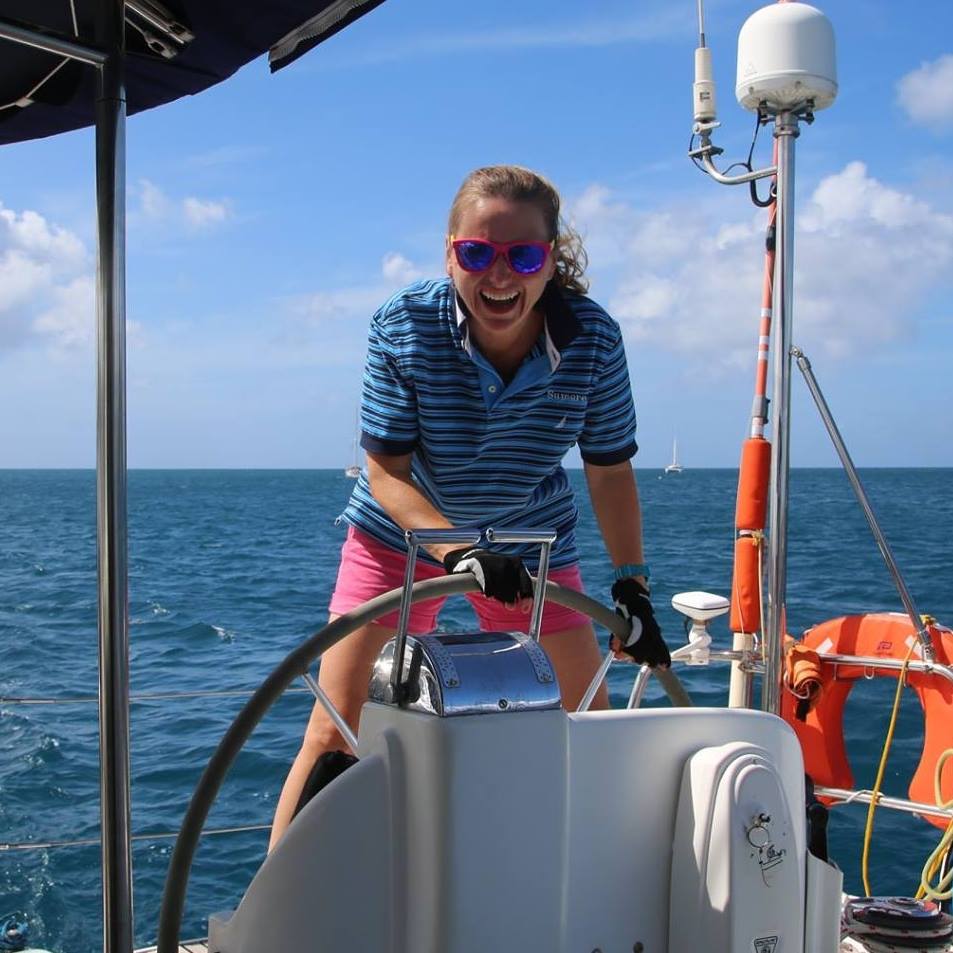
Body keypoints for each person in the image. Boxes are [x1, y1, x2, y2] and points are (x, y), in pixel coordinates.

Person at [269, 165, 670, 850]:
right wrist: (459, 551)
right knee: (336, 729)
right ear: (450, 253)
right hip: (399, 537)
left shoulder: (593, 340)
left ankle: (592, 884)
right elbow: (386, 473)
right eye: (477, 253)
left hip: (530, 545)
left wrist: (632, 584)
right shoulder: (403, 326)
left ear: (551, 260)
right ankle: (276, 906)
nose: (499, 275)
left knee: (587, 724)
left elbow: (608, 471)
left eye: (523, 256)